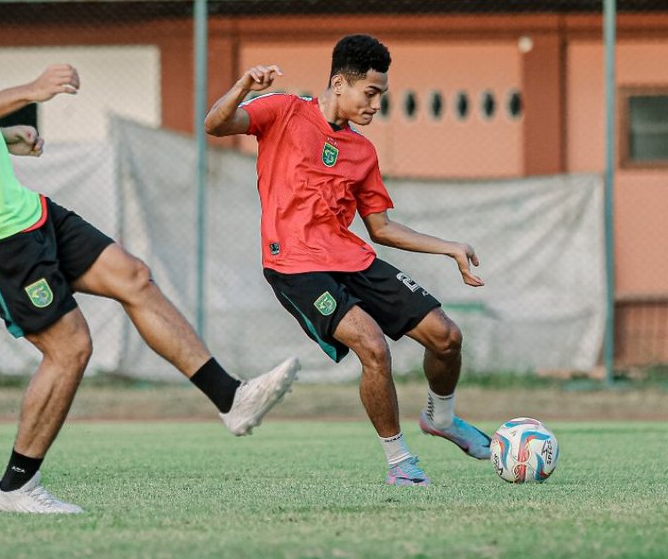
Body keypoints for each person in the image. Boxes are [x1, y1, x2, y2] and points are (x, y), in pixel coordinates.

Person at [0, 0, 299, 516]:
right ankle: (16, 487)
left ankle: (230, 399)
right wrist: (31, 91)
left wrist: (2, 139)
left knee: (132, 276)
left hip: (21, 211)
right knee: (70, 346)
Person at [205, 33, 491, 487]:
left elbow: (381, 229)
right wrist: (243, 86)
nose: (376, 104)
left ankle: (442, 418)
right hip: (294, 264)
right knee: (373, 346)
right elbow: (216, 125)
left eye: (381, 95)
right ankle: (399, 463)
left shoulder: (363, 151)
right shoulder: (283, 110)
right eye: (370, 93)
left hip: (351, 258)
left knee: (446, 336)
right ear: (340, 83)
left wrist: (450, 246)